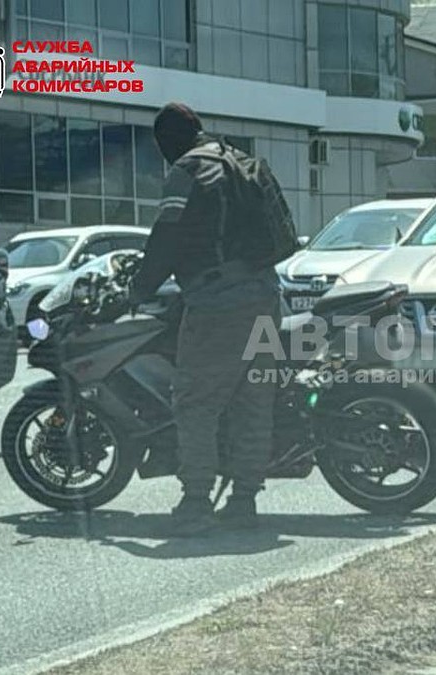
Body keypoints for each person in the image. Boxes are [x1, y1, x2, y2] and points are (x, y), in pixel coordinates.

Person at [129, 102, 286, 535]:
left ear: (167, 141)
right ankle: (243, 502)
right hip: (266, 296)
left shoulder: (186, 170)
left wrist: (141, 287)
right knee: (252, 401)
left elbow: (166, 234)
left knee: (195, 401)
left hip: (220, 303)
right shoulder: (235, 158)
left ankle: (196, 503)